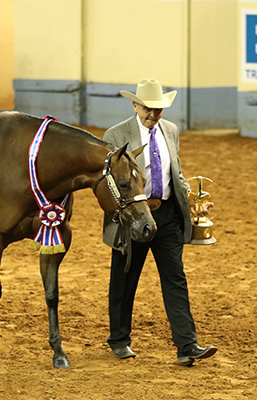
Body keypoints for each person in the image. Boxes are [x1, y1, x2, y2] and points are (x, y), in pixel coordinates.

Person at [103, 78, 217, 366]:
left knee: (175, 280)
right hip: (133, 217)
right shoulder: (115, 136)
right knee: (124, 280)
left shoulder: (171, 131)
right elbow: (109, 184)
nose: (153, 115)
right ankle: (119, 340)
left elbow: (173, 172)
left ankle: (187, 345)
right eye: (147, 109)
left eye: (158, 110)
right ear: (135, 105)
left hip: (166, 216)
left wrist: (191, 198)